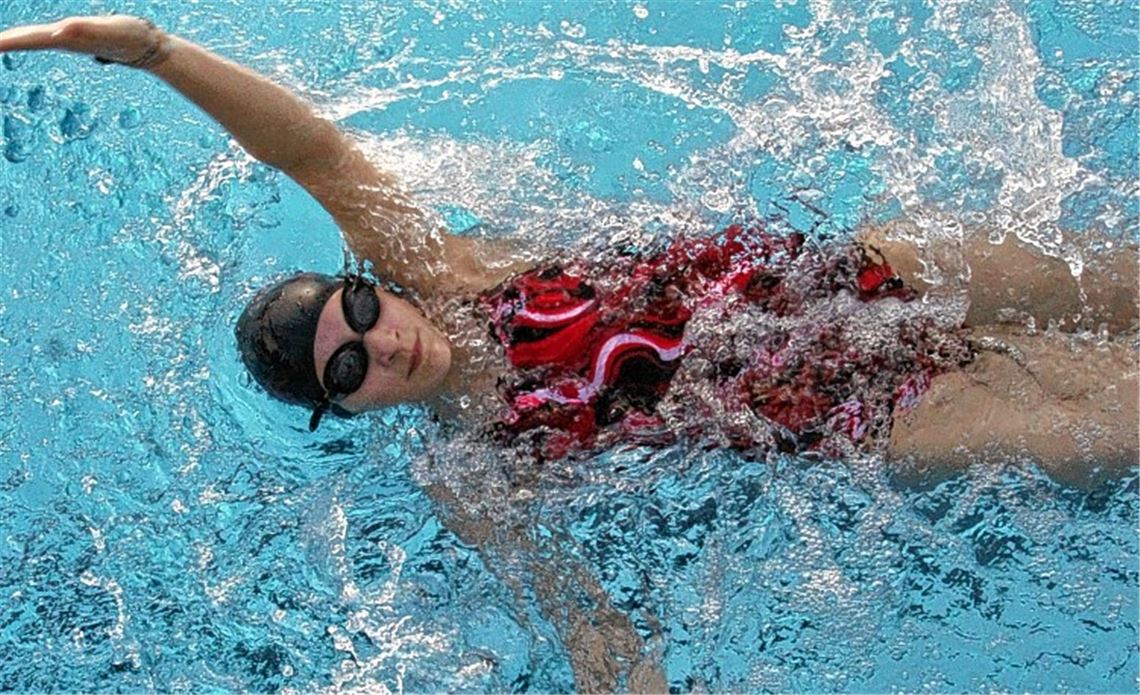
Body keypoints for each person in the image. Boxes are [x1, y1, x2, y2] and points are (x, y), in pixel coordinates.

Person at [1, 16, 1136, 487]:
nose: (379, 345)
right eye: (343, 371)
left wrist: (155, 53)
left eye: (356, 308)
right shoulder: (475, 471)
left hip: (864, 271)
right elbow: (578, 615)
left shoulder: (440, 271)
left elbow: (312, 151)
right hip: (864, 418)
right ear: (340, 414)